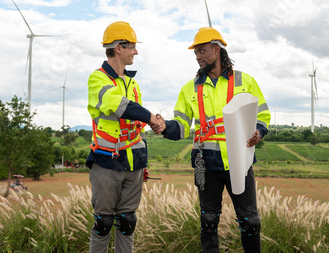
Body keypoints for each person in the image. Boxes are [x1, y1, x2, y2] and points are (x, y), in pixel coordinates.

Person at [158, 27, 270, 252]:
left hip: (241, 162)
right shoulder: (189, 88)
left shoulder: (245, 81)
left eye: (202, 51)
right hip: (205, 164)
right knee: (208, 221)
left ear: (216, 50)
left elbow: (263, 115)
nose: (197, 56)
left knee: (250, 221)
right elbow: (180, 127)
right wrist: (162, 127)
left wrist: (259, 131)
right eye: (195, 53)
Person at [86, 21, 163, 253]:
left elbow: (136, 127)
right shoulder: (97, 79)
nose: (136, 52)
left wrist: (145, 158)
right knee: (103, 223)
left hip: (134, 163)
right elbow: (121, 107)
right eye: (132, 47)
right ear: (119, 47)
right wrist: (151, 117)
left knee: (128, 222)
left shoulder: (132, 82)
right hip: (106, 161)